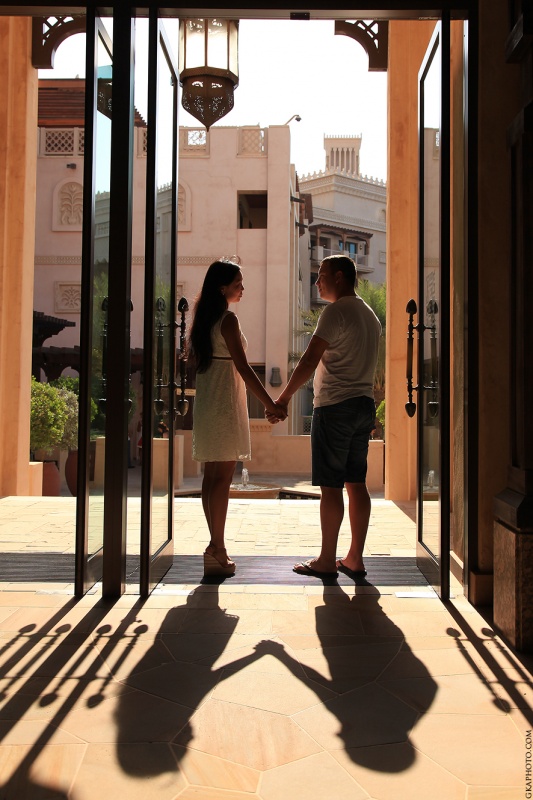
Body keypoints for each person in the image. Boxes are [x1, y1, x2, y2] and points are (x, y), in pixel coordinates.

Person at [267, 254, 382, 578]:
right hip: (363, 406)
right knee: (356, 483)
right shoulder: (371, 316)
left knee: (331, 487)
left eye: (322, 275)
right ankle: (355, 558)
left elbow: (309, 360)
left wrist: (283, 399)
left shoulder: (336, 311)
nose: (317, 282)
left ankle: (326, 560)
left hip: (335, 407)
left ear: (340, 277)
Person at [189, 259, 286, 576]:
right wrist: (271, 404)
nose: (243, 288)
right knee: (222, 478)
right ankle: (217, 547)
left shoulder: (204, 320)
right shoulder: (228, 320)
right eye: (237, 284)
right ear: (222, 288)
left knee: (211, 477)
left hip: (208, 402)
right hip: (225, 403)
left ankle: (214, 546)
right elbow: (243, 368)